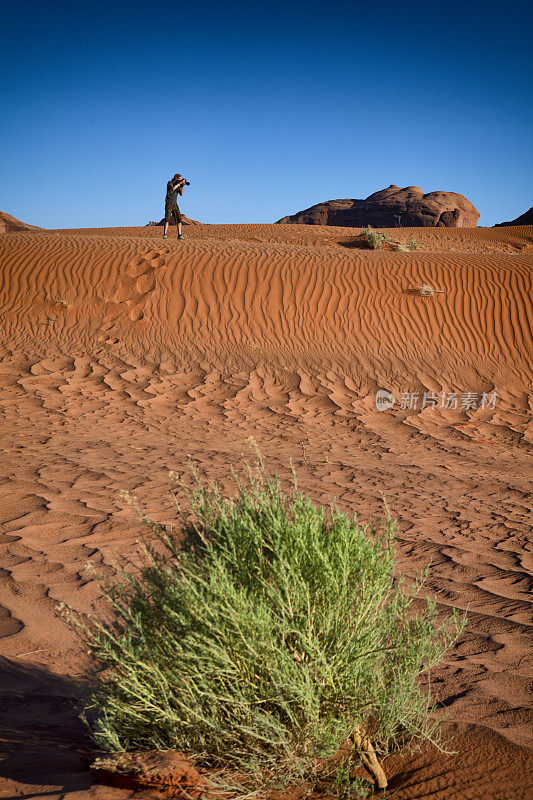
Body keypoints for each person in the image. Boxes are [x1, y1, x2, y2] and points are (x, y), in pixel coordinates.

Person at [163, 173, 189, 239]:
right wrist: (180, 183)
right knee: (167, 219)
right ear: (176, 178)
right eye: (179, 179)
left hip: (175, 204)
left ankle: (179, 234)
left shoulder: (179, 185)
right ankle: (165, 234)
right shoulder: (170, 183)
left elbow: (181, 194)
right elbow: (173, 188)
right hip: (169, 203)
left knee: (179, 219)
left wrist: (182, 186)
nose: (180, 180)